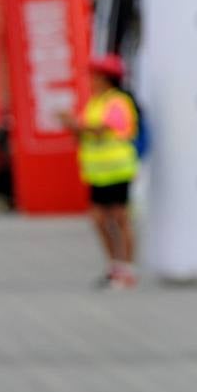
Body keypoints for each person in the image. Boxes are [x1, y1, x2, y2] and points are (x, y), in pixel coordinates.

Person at [59, 53, 140, 289]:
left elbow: (100, 131)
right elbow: (83, 134)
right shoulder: (94, 103)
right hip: (97, 172)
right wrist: (71, 126)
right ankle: (114, 266)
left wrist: (74, 123)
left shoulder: (118, 101)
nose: (91, 80)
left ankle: (127, 269)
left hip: (117, 169)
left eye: (96, 76)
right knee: (99, 219)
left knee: (120, 218)